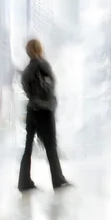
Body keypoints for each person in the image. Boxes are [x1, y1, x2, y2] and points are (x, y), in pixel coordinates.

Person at [19, 39, 70, 192]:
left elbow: (27, 90)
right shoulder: (43, 64)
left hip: (31, 111)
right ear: (40, 49)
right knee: (51, 145)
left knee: (28, 147)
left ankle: (24, 181)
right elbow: (52, 85)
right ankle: (57, 179)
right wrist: (51, 104)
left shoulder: (26, 70)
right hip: (45, 111)